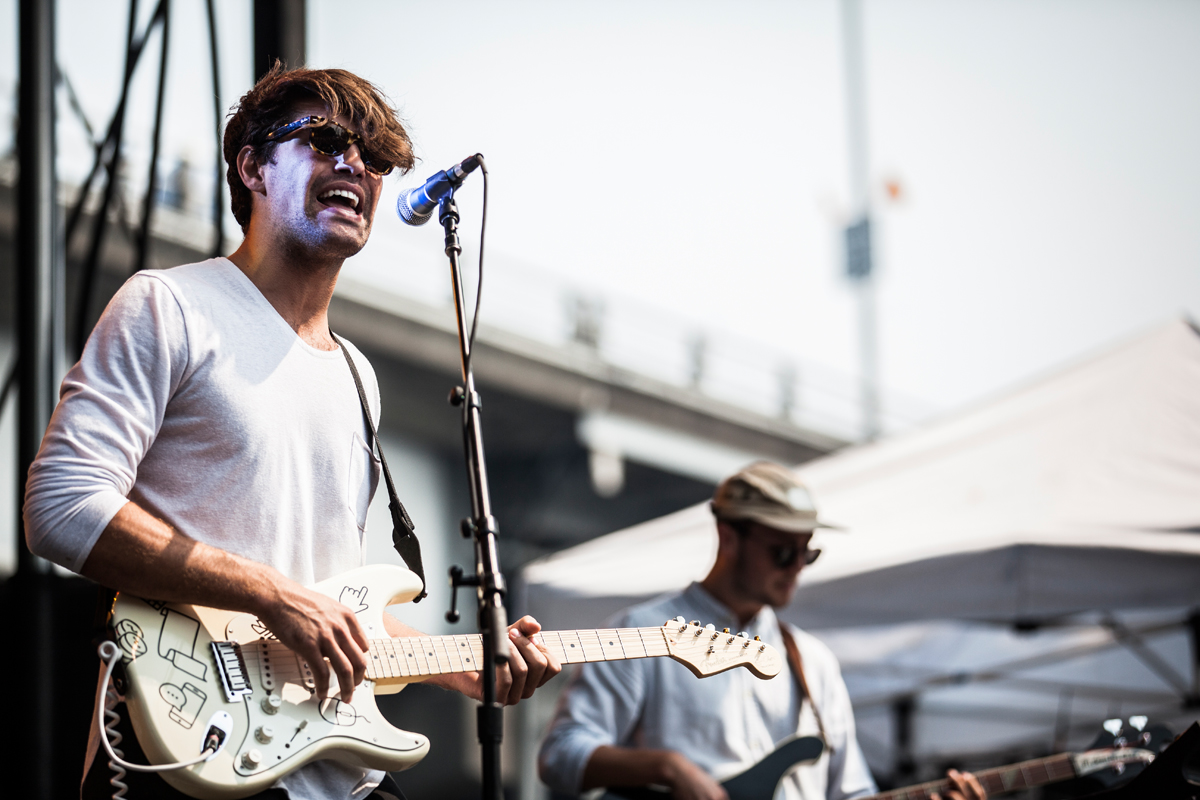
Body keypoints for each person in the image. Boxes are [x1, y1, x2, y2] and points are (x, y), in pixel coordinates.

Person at [23, 64, 560, 800]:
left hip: (341, 773)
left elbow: (331, 606)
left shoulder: (357, 376)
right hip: (193, 759)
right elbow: (61, 508)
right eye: (326, 139)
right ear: (252, 166)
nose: (355, 165)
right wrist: (270, 592)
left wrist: (468, 666)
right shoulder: (170, 306)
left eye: (374, 156)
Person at [538, 462, 985, 800]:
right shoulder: (643, 632)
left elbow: (852, 794)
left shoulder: (814, 661)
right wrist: (667, 766)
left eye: (806, 555)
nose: (795, 570)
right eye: (781, 554)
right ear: (728, 537)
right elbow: (560, 756)